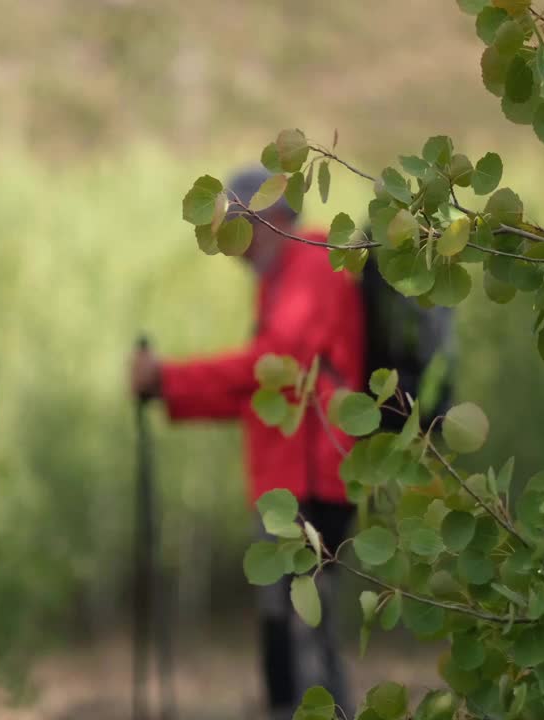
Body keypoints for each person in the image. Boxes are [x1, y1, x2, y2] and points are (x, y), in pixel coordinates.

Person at [129, 165, 365, 720]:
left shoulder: (310, 262)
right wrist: (169, 392)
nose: (231, 248)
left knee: (304, 638)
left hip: (311, 482)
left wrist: (168, 380)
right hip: (294, 480)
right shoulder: (284, 276)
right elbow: (258, 390)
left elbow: (270, 366)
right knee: (286, 630)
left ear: (263, 217)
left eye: (234, 228)